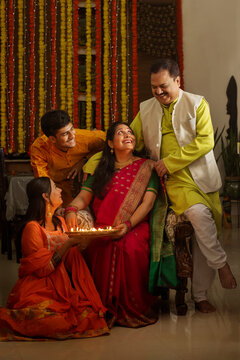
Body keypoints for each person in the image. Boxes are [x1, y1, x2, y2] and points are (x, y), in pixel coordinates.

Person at [130, 58, 237, 313]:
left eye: (164, 86)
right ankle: (222, 265)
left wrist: (170, 161)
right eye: (154, 87)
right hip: (171, 182)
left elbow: (205, 143)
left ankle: (200, 295)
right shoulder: (146, 108)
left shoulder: (197, 104)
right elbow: (131, 140)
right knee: (199, 214)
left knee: (205, 228)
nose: (158, 92)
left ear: (178, 81)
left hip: (201, 179)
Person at [65, 122, 177, 327]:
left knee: (129, 247)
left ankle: (133, 305)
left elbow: (148, 202)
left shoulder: (147, 167)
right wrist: (71, 209)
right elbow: (83, 198)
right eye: (120, 132)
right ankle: (101, 305)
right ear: (110, 143)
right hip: (104, 226)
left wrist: (127, 225)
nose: (127, 135)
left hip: (136, 226)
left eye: (130, 132)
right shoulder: (101, 170)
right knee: (100, 245)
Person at [0, 177, 109, 341]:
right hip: (39, 287)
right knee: (53, 321)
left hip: (63, 286)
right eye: (55, 187)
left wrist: (83, 242)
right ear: (45, 196)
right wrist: (68, 243)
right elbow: (44, 269)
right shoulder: (32, 228)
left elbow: (73, 256)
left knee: (90, 316)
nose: (59, 190)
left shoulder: (61, 223)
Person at [30, 110, 106, 206]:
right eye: (65, 134)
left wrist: (85, 160)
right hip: (56, 190)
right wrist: (55, 207)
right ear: (52, 139)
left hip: (85, 188)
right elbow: (44, 182)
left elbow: (110, 142)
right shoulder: (40, 148)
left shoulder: (86, 138)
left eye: (72, 129)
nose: (72, 136)